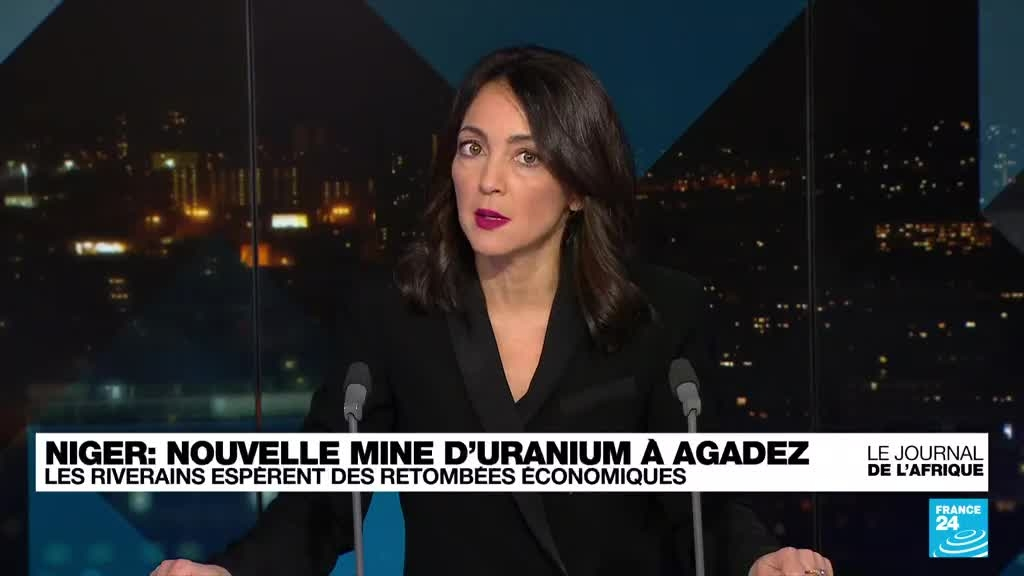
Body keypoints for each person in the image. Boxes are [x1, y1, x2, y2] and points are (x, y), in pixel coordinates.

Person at [151, 45, 834, 576]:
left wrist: (759, 560)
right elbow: (324, 504)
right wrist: (233, 570)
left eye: (527, 156)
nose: (488, 181)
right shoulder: (392, 315)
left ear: (578, 187)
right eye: (472, 148)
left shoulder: (661, 311)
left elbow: (701, 504)